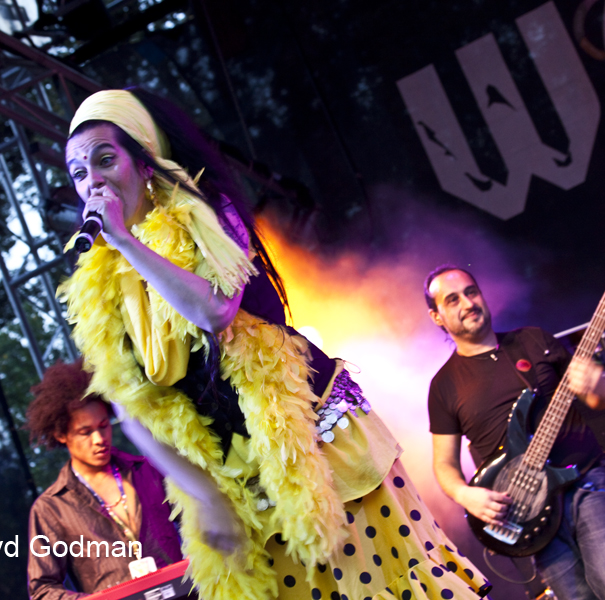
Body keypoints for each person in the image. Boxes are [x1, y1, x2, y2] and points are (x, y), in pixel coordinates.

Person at [56, 88, 491, 600]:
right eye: (79, 173)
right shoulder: (102, 288)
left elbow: (215, 310)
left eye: (106, 160)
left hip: (311, 436)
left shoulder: (205, 211)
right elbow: (133, 410)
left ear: (146, 162)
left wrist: (127, 243)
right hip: (238, 479)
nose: (93, 181)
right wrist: (205, 497)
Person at [424, 266, 605, 600]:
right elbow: (444, 464)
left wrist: (597, 383)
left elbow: (599, 398)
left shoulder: (532, 341)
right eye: (452, 300)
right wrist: (466, 495)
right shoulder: (443, 386)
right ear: (436, 316)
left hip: (584, 481)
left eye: (471, 292)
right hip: (527, 513)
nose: (467, 303)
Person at [25, 359, 185, 599]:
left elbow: (202, 522)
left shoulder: (150, 470)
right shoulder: (50, 509)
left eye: (103, 426)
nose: (99, 438)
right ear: (60, 434)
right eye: (85, 432)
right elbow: (42, 590)